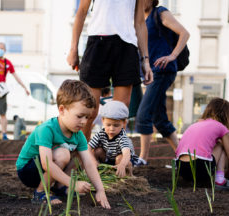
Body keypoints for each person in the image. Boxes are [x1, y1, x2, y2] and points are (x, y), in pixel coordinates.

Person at [16, 80, 110, 209]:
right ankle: (40, 193)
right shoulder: (47, 129)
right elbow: (46, 163)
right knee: (62, 154)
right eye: (80, 116)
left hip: (49, 170)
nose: (84, 122)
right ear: (62, 110)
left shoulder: (78, 135)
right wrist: (73, 184)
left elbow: (89, 163)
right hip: (28, 171)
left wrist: (100, 190)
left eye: (87, 117)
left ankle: (60, 187)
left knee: (82, 155)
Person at [67, 0, 153, 140]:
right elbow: (81, 12)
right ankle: (81, 157)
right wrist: (73, 49)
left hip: (127, 46)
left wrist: (146, 60)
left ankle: (112, 157)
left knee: (118, 113)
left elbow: (140, 23)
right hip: (97, 43)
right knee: (89, 110)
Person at [135, 0, 190, 166]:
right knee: (159, 119)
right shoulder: (138, 20)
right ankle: (185, 159)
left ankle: (143, 158)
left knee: (143, 115)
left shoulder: (160, 13)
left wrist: (172, 55)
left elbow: (184, 33)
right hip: (151, 73)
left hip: (163, 71)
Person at [175, 98, 229, 189]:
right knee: (221, 144)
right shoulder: (222, 127)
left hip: (181, 168)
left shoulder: (195, 124)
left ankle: (199, 180)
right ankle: (220, 180)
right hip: (199, 166)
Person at [89, 101, 138, 177]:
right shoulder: (101, 134)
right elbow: (88, 148)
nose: (111, 129)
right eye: (108, 125)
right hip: (109, 158)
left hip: (125, 161)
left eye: (116, 125)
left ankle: (127, 176)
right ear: (103, 121)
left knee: (119, 158)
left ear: (124, 123)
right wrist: (93, 161)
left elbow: (126, 154)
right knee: (97, 151)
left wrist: (122, 165)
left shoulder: (122, 137)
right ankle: (98, 171)